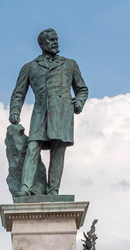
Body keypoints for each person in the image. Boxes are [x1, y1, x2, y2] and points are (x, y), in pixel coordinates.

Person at [10, 28, 88, 197]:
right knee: (32, 148)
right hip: (40, 112)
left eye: (56, 39)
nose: (55, 43)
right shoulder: (30, 67)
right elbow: (18, 92)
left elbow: (82, 89)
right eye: (51, 40)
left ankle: (53, 191)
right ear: (42, 44)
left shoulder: (70, 64)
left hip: (62, 113)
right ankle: (25, 187)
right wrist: (15, 112)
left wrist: (79, 102)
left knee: (58, 152)